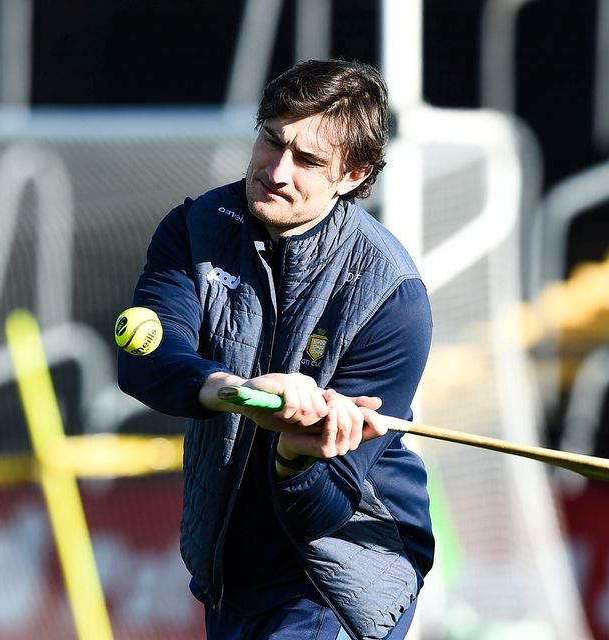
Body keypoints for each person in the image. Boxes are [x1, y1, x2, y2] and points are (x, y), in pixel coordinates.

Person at [118, 59, 434, 640]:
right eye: (271, 140)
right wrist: (235, 394)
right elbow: (147, 358)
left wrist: (296, 454)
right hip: (227, 573)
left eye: (309, 160)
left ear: (353, 174)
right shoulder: (195, 227)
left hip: (339, 576)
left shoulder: (394, 297)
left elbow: (323, 511)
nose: (277, 170)